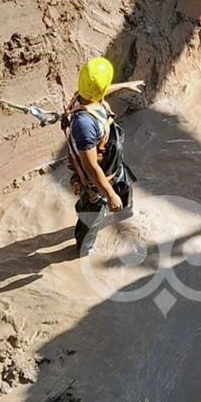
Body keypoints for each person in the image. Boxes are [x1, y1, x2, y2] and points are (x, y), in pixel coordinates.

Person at [62, 57, 145, 257]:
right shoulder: (84, 125)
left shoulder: (85, 96)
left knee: (125, 203)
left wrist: (125, 86)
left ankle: (122, 215)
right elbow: (90, 167)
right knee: (90, 220)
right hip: (97, 183)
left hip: (115, 169)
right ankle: (82, 253)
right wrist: (109, 194)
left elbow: (100, 91)